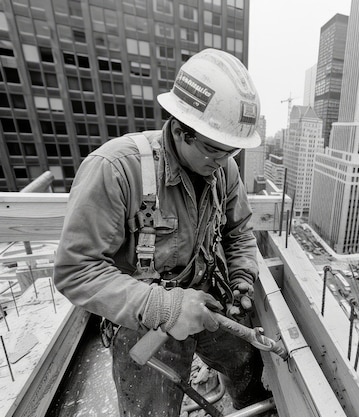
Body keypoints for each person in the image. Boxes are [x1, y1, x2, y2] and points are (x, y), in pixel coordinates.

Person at [54, 48, 270, 415]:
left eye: (232, 152)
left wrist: (241, 274)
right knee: (150, 410)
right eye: (215, 149)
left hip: (207, 302)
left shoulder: (224, 171)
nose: (223, 162)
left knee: (246, 364)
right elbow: (77, 270)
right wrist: (164, 308)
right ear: (181, 127)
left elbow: (239, 233)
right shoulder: (117, 169)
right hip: (143, 318)